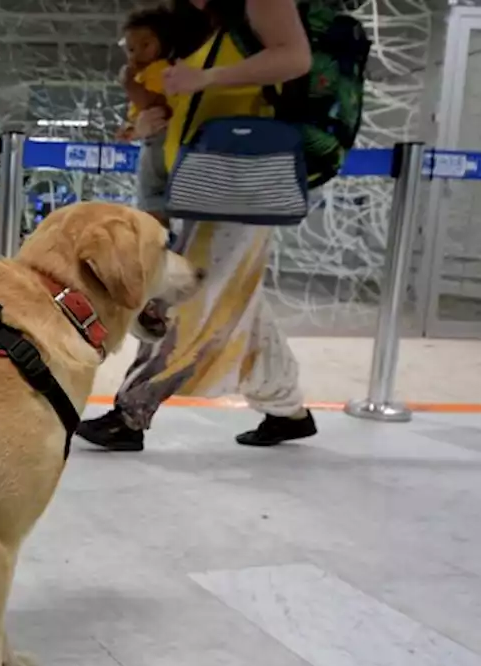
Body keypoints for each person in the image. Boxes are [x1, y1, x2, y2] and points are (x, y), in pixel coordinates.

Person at [76, 0, 319, 452]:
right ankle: (287, 409)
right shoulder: (193, 21)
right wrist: (146, 122)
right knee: (229, 292)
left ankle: (130, 415)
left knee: (183, 294)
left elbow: (294, 58)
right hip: (195, 178)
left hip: (238, 177)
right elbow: (182, 100)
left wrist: (203, 78)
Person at [117, 5, 176, 230]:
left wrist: (129, 84)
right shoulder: (147, 72)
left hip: (160, 141)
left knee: (151, 195)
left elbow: (155, 107)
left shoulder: (161, 69)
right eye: (131, 49)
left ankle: (155, 231)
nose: (137, 54)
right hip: (153, 138)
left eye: (145, 45)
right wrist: (132, 129)